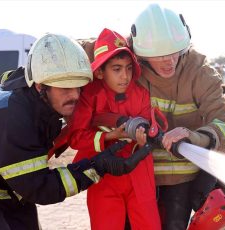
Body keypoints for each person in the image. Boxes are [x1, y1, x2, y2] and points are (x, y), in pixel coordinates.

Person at [0, 33, 150, 230]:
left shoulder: (36, 86)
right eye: (65, 88)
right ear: (40, 86)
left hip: (11, 179)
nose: (75, 96)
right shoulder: (13, 118)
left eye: (78, 87)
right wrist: (97, 167)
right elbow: (41, 188)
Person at [130, 4, 225, 229]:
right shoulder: (127, 67)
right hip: (137, 178)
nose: (169, 61)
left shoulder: (199, 71)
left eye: (174, 52)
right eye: (159, 55)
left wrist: (196, 138)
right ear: (140, 55)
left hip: (181, 182)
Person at [68, 28, 160, 230]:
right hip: (104, 175)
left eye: (128, 68)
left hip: (140, 175)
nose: (125, 76)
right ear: (100, 71)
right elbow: (76, 138)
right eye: (116, 69)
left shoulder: (141, 93)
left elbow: (148, 124)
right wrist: (111, 135)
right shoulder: (90, 95)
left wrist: (147, 136)